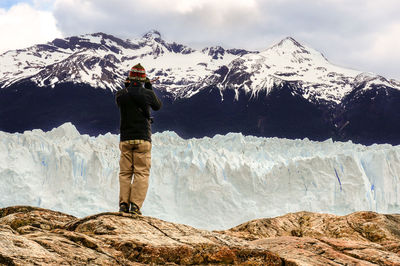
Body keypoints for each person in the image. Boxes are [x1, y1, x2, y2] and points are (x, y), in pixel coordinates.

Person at [115, 63, 162, 214]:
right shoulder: (146, 94)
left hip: (126, 139)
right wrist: (149, 86)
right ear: (143, 79)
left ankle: (123, 204)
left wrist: (127, 86)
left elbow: (121, 101)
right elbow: (157, 106)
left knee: (125, 173)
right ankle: (135, 207)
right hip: (143, 139)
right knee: (141, 173)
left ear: (129, 79)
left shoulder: (121, 94)